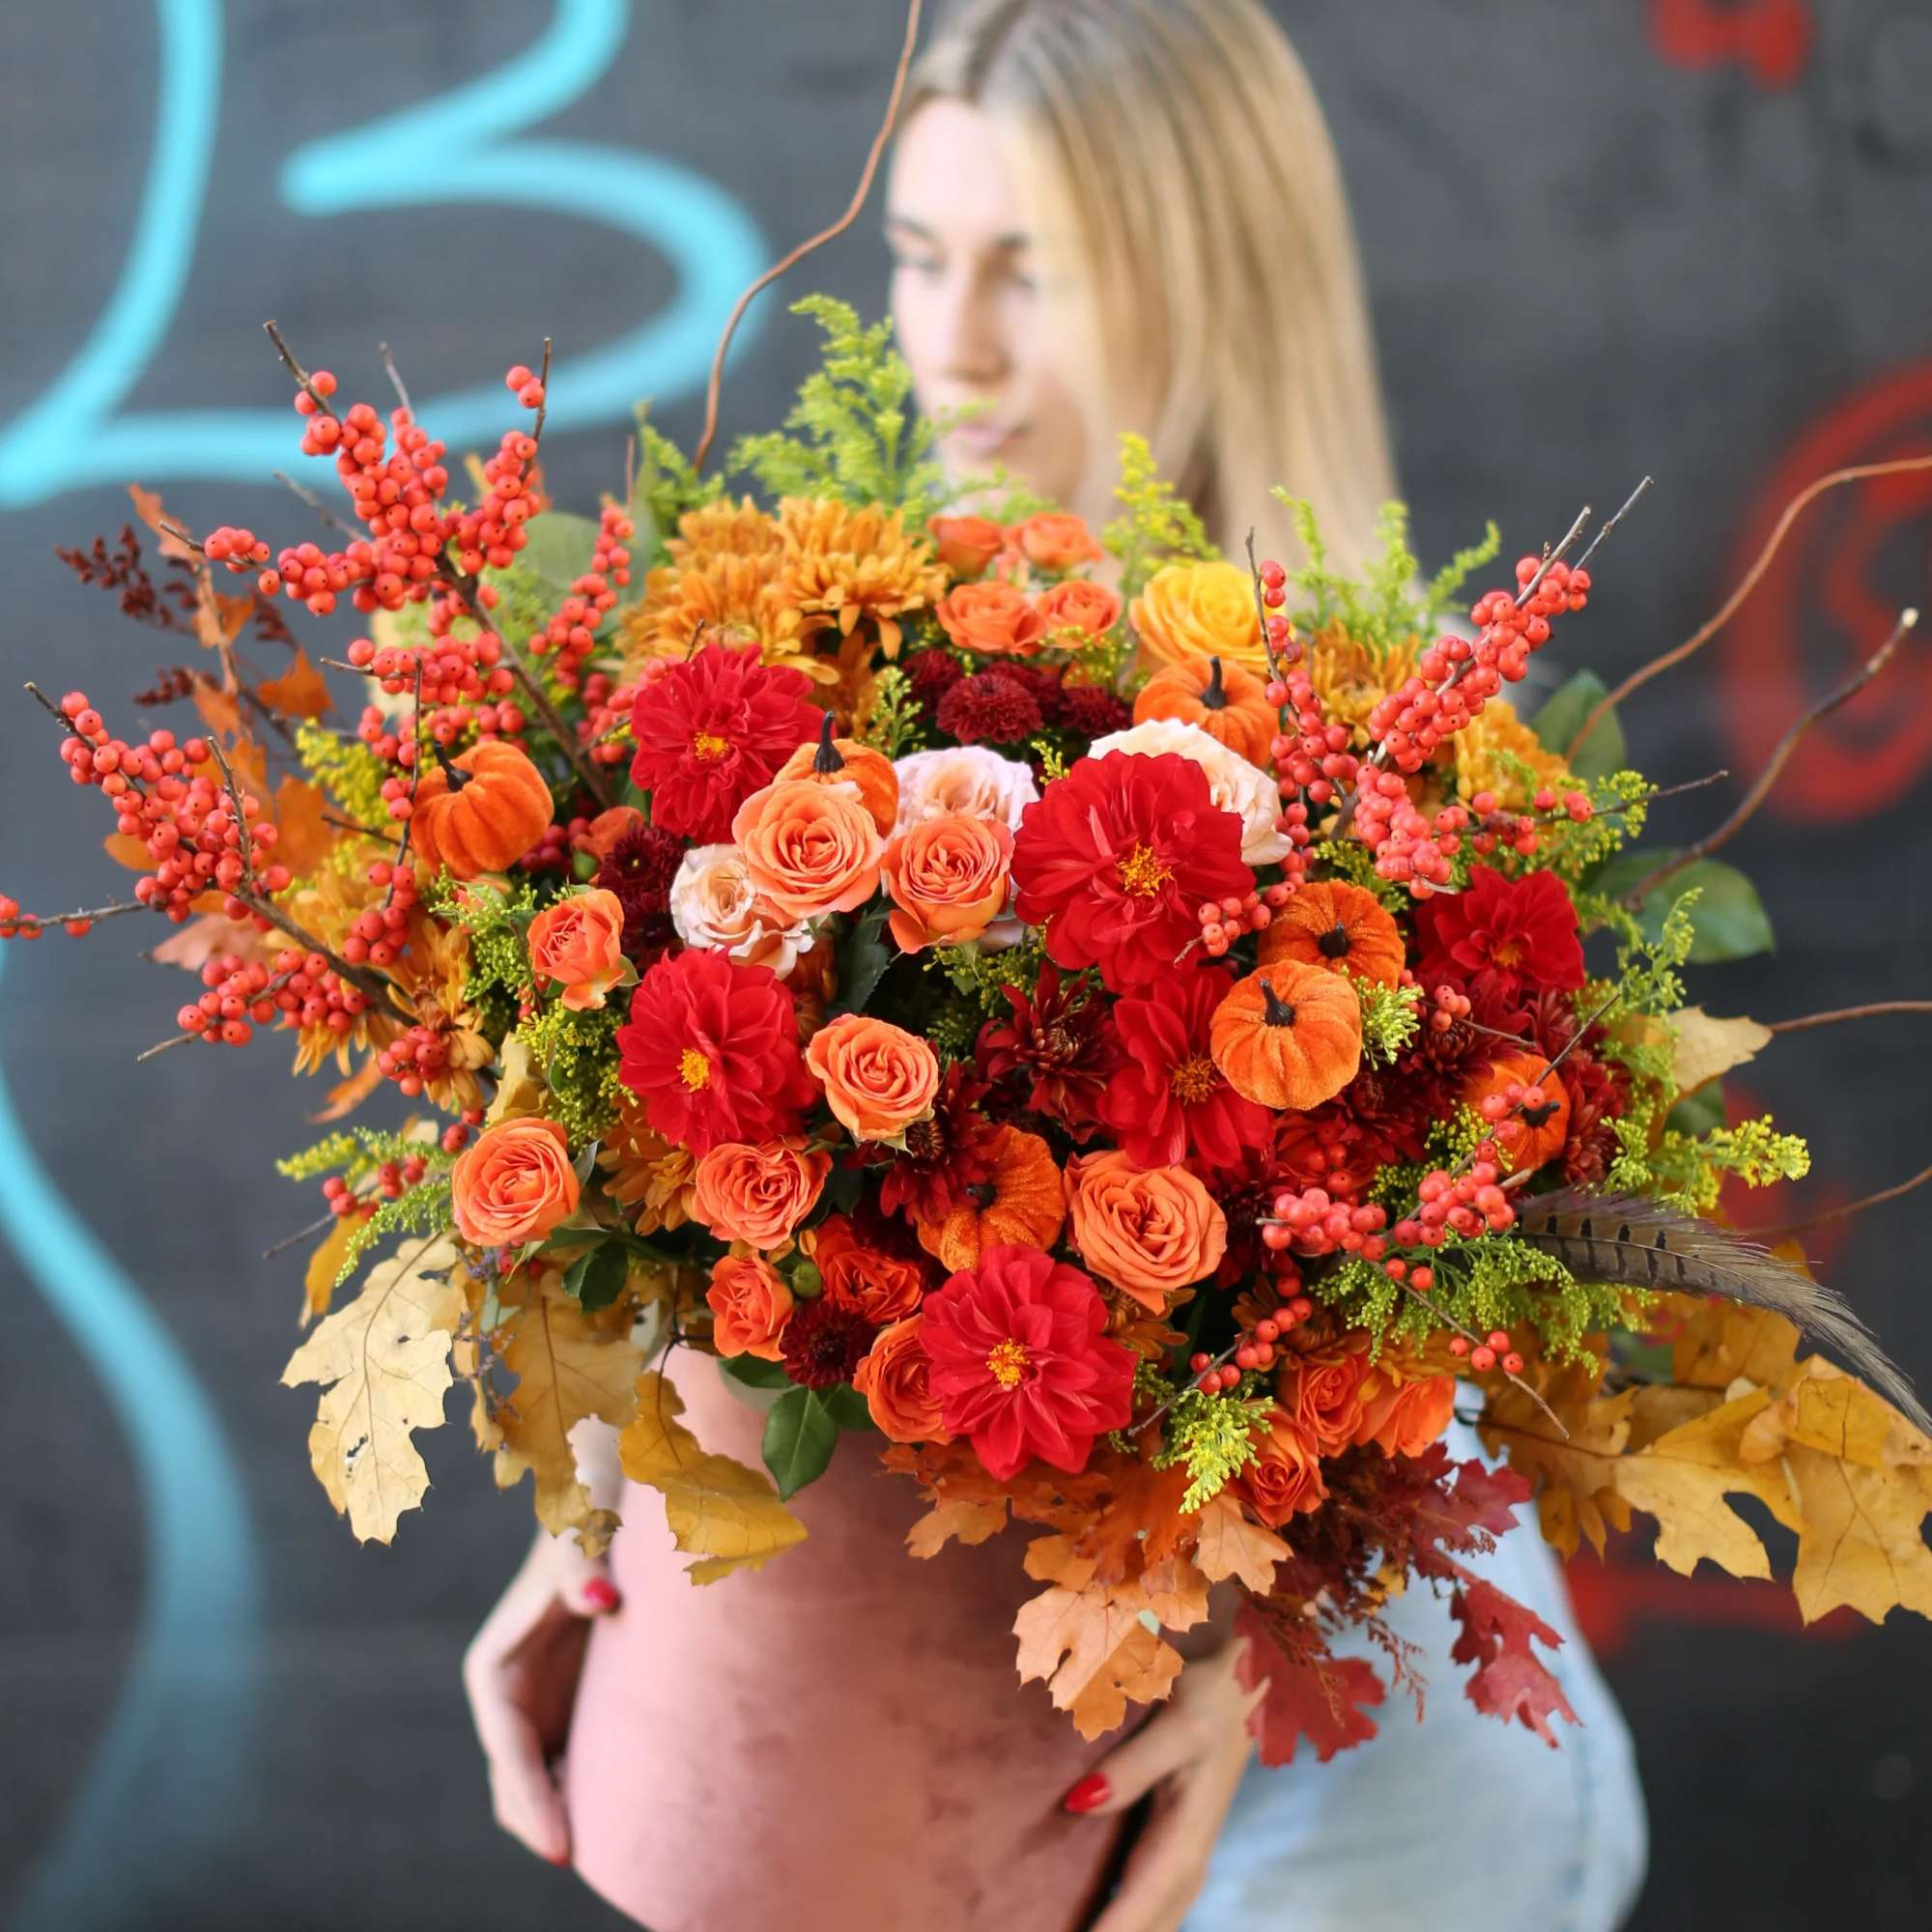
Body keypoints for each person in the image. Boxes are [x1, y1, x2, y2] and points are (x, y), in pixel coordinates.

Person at [464, 4, 1650, 1927]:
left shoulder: (1403, 766)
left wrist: (1256, 1645)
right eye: (923, 259)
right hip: (960, 1773)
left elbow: (1425, 1350)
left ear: (1208, 281)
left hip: (1370, 1808)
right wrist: (605, 1517)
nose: (953, 340)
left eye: (1038, 266)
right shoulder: (866, 701)